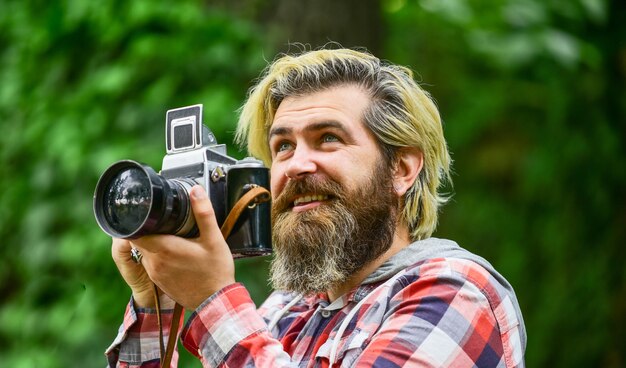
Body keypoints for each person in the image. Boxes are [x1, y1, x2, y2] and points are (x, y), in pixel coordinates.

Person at [106, 48, 526, 367]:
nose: (297, 165)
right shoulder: (286, 311)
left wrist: (214, 298)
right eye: (283, 146)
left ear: (401, 169)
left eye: (328, 138)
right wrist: (156, 306)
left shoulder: (454, 292)